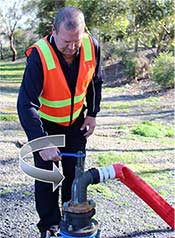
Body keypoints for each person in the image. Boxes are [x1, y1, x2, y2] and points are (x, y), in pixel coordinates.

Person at [17, 6, 102, 238]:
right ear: (53, 30)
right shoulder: (39, 55)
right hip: (46, 127)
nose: (72, 48)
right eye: (66, 42)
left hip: (76, 124)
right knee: (47, 179)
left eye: (77, 41)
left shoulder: (91, 46)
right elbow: (25, 104)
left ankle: (71, 220)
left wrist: (92, 113)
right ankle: (49, 226)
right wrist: (42, 142)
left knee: (74, 178)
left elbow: (96, 81)